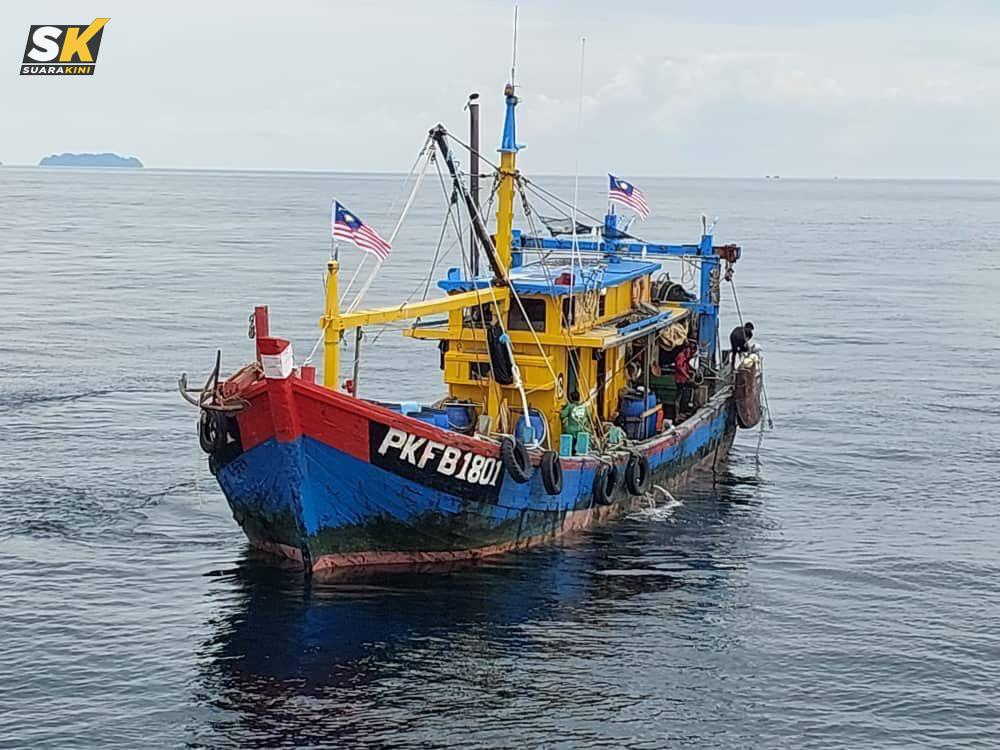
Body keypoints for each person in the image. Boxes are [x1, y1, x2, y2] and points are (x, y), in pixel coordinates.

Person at [674, 340, 697, 419]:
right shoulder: (681, 356)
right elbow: (679, 367)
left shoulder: (686, 358)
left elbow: (686, 366)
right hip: (680, 380)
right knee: (679, 398)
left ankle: (683, 411)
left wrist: (691, 371)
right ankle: (677, 415)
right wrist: (687, 375)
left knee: (683, 396)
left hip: (683, 379)